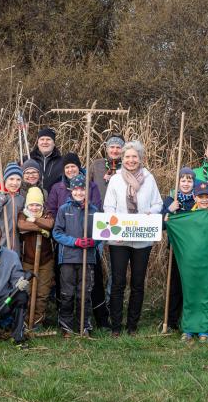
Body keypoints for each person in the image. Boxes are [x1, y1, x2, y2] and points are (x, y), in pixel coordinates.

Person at [103, 140, 163, 336]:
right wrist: (115, 230)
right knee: (118, 281)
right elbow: (108, 207)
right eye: (127, 157)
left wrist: (148, 213)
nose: (130, 160)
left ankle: (132, 326)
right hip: (119, 240)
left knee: (137, 283)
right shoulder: (116, 179)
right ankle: (116, 326)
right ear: (122, 158)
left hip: (142, 239)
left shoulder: (149, 177)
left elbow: (158, 204)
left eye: (134, 157)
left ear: (140, 158)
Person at [53, 175, 104, 336]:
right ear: (71, 190)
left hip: (87, 259)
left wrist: (93, 242)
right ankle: (66, 326)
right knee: (67, 293)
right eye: (76, 189)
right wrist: (75, 241)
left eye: (82, 189)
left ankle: (84, 325)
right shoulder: (64, 210)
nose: (79, 192)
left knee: (85, 293)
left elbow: (101, 233)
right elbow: (57, 233)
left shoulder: (94, 211)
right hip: (68, 258)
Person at [180, 181, 208, 342]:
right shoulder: (187, 216)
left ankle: (205, 329)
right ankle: (188, 328)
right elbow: (172, 225)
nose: (204, 200)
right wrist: (168, 216)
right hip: (190, 261)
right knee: (190, 294)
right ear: (194, 197)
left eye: (207, 196)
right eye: (200, 197)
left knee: (206, 294)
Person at [161, 167, 196, 334]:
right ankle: (171, 320)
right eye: (183, 180)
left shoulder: (197, 201)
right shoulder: (171, 200)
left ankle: (190, 318)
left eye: (189, 180)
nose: (186, 183)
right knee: (174, 285)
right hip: (175, 248)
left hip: (194, 250)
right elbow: (161, 224)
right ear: (178, 182)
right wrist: (169, 210)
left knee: (190, 285)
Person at [17, 186, 55, 331]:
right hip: (27, 260)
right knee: (27, 292)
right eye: (31, 205)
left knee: (42, 292)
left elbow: (50, 224)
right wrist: (40, 228)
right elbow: (21, 225)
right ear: (27, 205)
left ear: (42, 205)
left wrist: (34, 221)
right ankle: (27, 321)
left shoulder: (47, 213)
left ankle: (38, 321)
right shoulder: (22, 214)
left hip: (46, 261)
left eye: (37, 205)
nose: (34, 207)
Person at [46, 152, 103, 217]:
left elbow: (96, 208)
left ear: (78, 167)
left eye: (73, 166)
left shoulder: (91, 186)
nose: (70, 170)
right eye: (67, 167)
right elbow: (52, 210)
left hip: (86, 224)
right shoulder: (57, 188)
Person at [24, 128, 65, 194]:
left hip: (54, 201)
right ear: (38, 143)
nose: (45, 142)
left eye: (48, 139)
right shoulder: (26, 159)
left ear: (54, 143)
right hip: (31, 201)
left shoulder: (62, 162)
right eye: (42, 139)